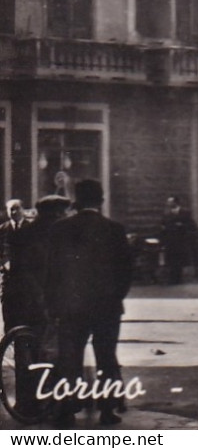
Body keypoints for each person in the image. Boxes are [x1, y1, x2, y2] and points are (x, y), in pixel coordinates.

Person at [45, 179, 134, 428]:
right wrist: (116, 297)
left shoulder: (60, 229)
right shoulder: (114, 229)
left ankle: (65, 411)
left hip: (71, 307)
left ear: (77, 201)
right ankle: (107, 411)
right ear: (101, 201)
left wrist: (53, 304)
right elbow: (126, 270)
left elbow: (52, 271)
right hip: (106, 307)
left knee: (69, 359)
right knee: (106, 358)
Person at [4, 196, 70, 424]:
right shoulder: (46, 235)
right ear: (53, 215)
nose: (64, 217)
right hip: (29, 304)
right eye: (61, 213)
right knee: (42, 353)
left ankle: (31, 404)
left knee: (28, 355)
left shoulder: (30, 233)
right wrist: (45, 300)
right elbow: (28, 273)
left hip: (20, 303)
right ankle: (43, 404)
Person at [159, 197, 195, 285]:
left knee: (179, 260)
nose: (168, 204)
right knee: (171, 260)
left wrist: (182, 225)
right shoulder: (167, 214)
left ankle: (178, 278)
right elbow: (162, 225)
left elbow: (192, 226)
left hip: (180, 240)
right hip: (170, 240)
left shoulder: (185, 213)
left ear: (176, 203)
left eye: (170, 202)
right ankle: (172, 278)